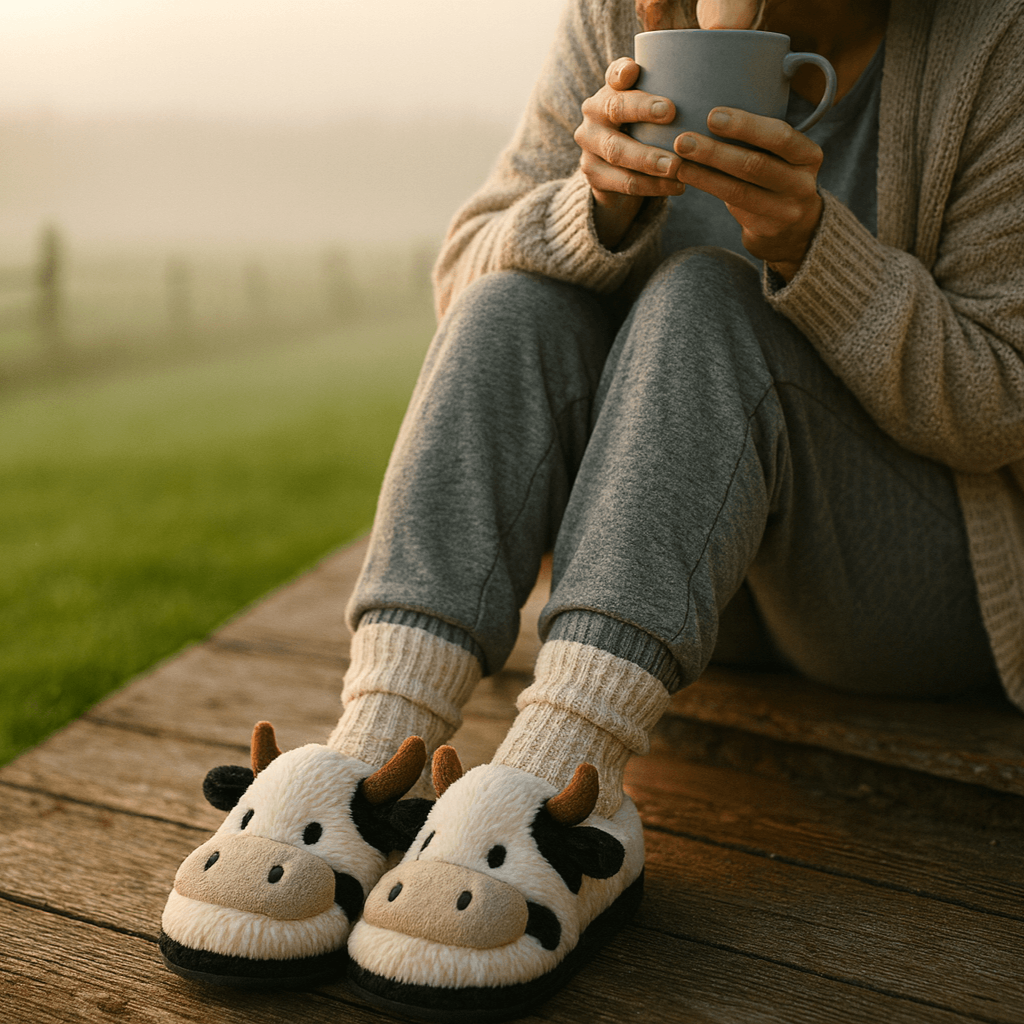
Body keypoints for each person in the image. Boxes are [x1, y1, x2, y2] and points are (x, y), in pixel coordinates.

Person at [160, 0, 1024, 1017]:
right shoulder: (617, 14)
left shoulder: (991, 40)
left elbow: (999, 402)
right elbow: (465, 276)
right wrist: (595, 209)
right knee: (512, 296)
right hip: (685, 594)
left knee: (707, 299)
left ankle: (564, 785)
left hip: (898, 587)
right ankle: (373, 764)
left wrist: (809, 247)